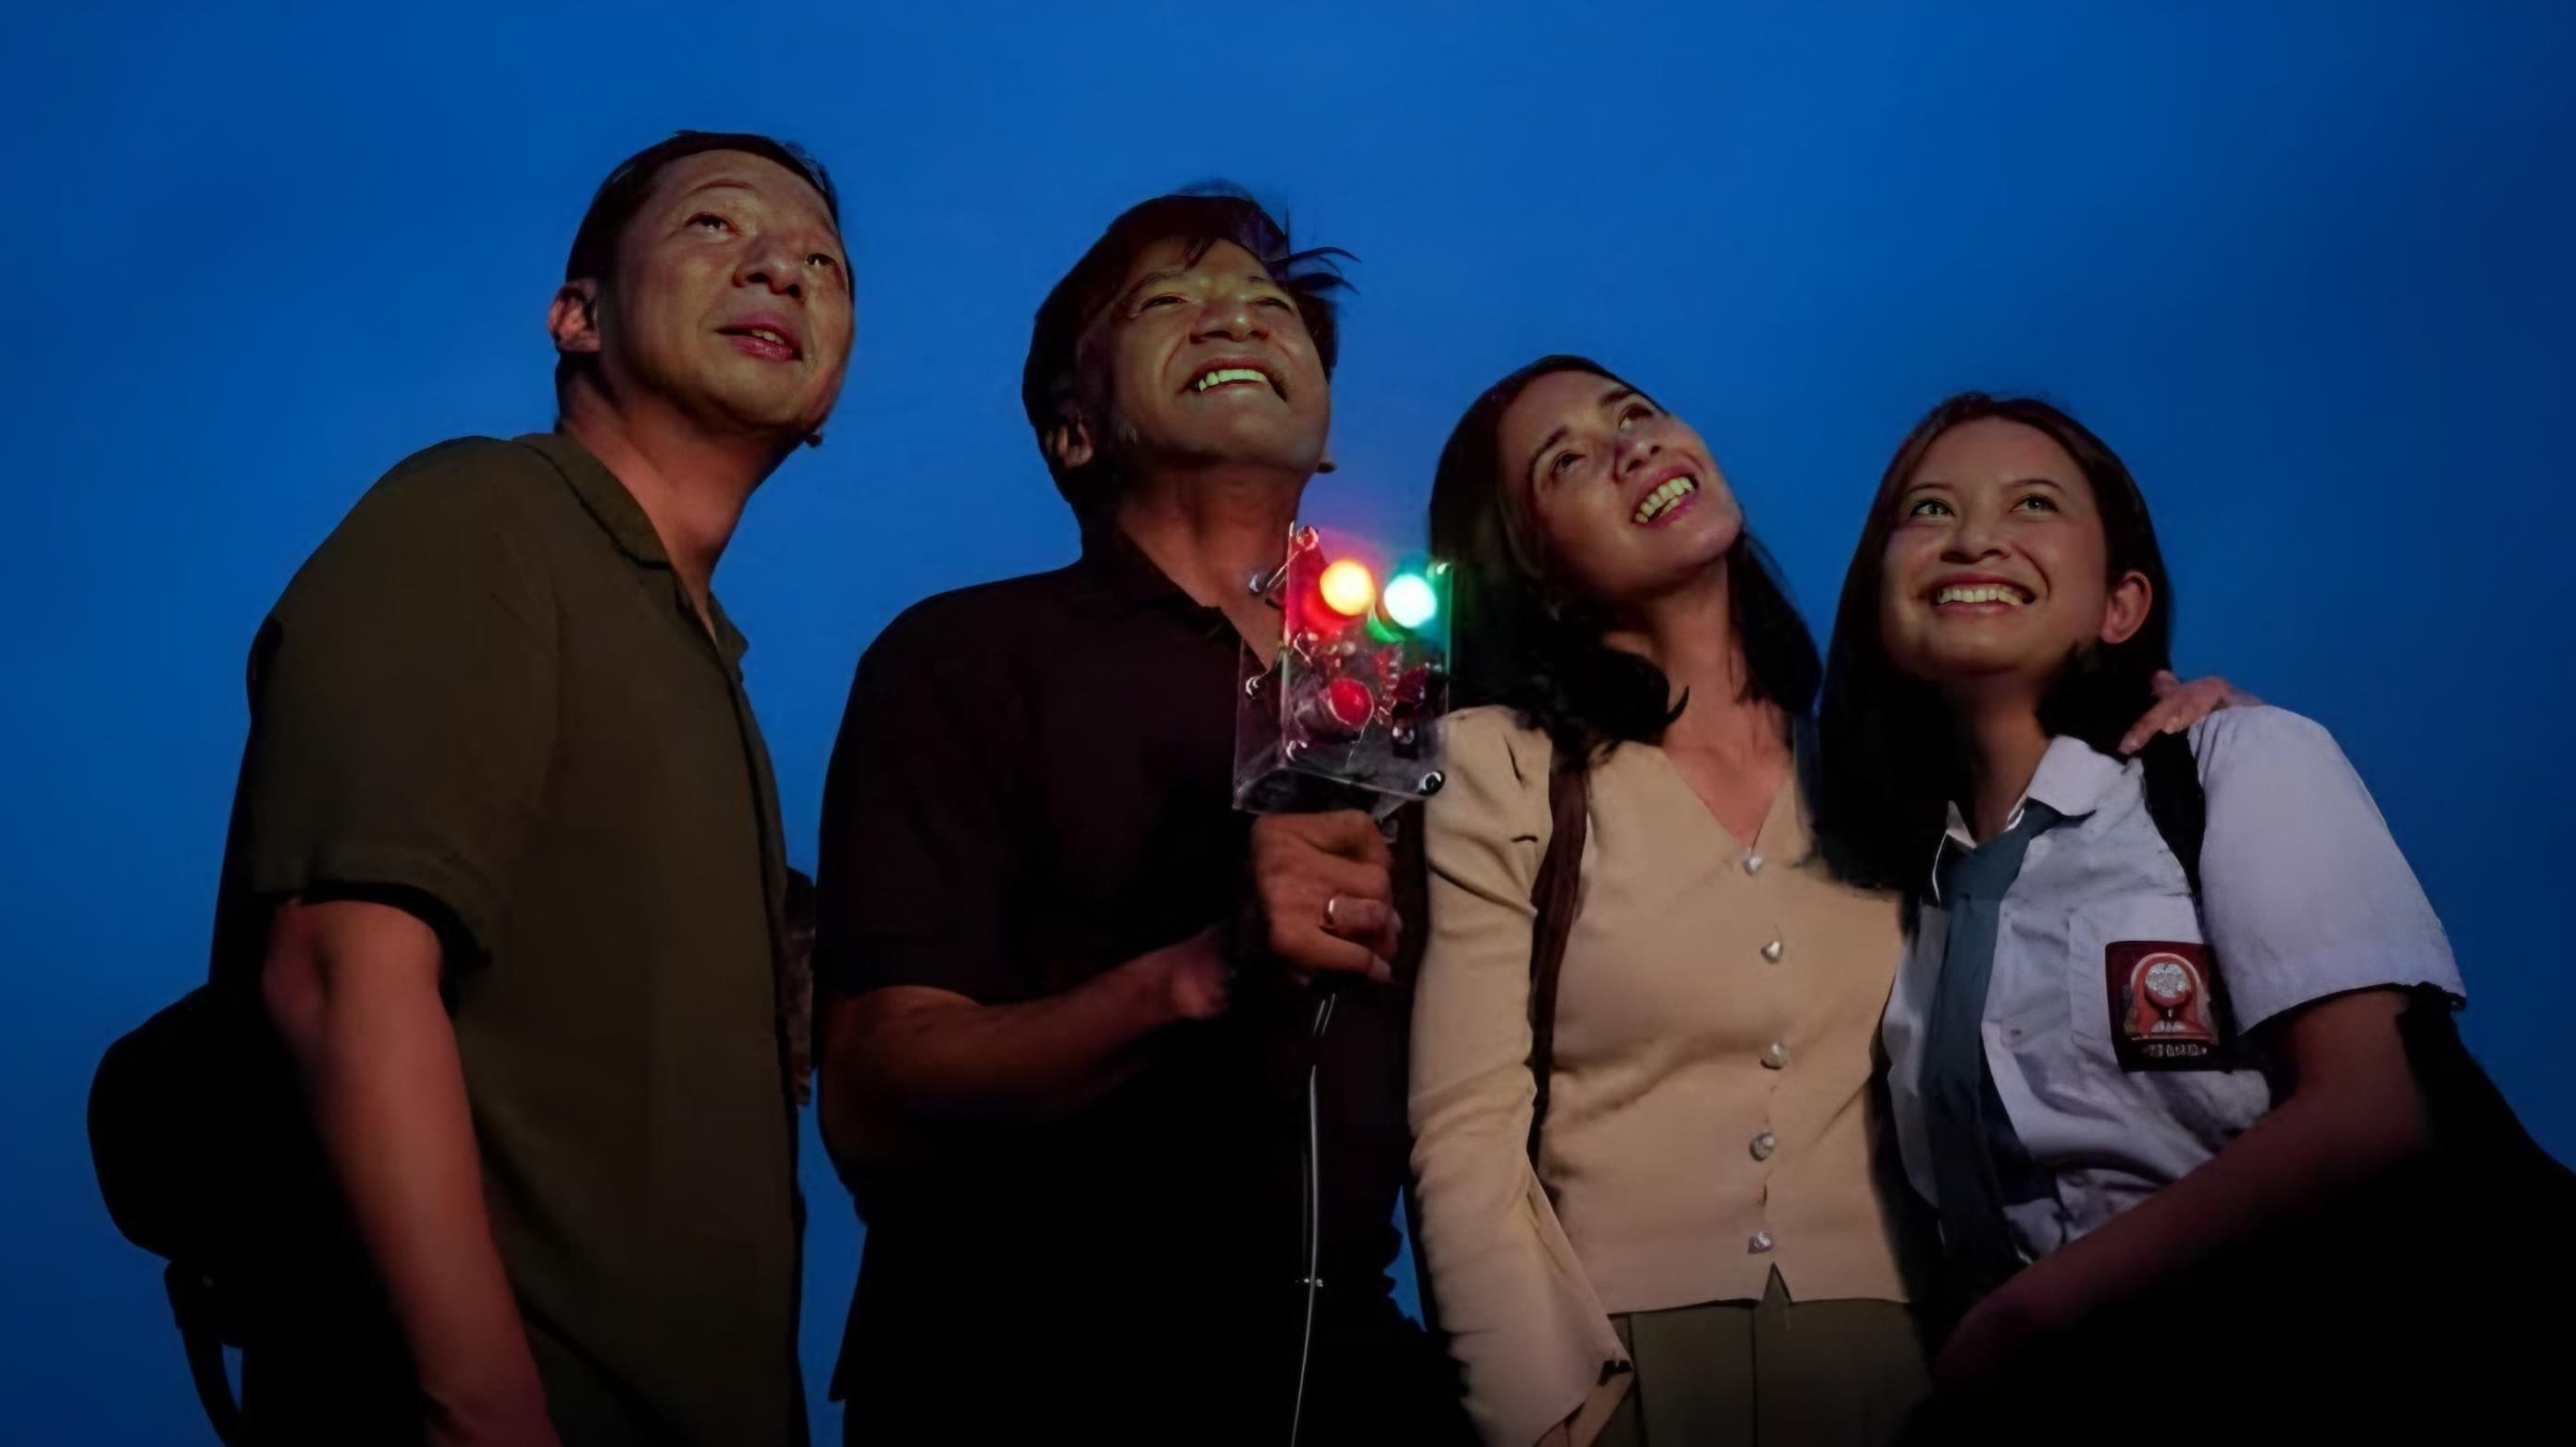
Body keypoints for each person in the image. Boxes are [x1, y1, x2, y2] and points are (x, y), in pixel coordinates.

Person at [1408, 358, 2235, 1447]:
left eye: (1636, 412)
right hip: (1620, 1370)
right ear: (1540, 572)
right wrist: (1537, 1415)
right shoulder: (1502, 765)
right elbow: (1462, 1130)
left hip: (1903, 1370)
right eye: (1567, 462)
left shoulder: (1887, 764)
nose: (1631, 447)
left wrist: (2185, 713)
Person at [208, 130, 852, 1444]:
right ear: (577, 316)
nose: (780, 269)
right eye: (716, 226)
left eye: (823, 265)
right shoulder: (485, 516)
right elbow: (338, 970)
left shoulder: (704, 668)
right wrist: (483, 1405)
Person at [813, 188, 1467, 1444]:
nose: (1235, 317)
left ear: (1326, 437)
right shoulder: (964, 655)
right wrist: (1203, 970)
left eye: (1269, 304)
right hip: (1029, 1371)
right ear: (1075, 430)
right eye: (1167, 302)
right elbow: (874, 1090)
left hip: (1352, 1372)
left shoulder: (1401, 694)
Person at [1813, 393, 2470, 1440]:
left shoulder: (2240, 764)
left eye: (2034, 504)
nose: (1975, 537)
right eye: (1929, 509)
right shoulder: (1913, 901)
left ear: (2121, 606)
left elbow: (2373, 1111)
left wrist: (2022, 1322)